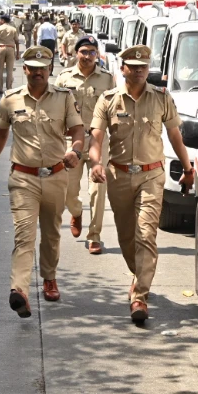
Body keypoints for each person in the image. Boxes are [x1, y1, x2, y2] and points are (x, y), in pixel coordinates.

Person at [89, 44, 194, 323]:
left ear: (149, 69)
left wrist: (187, 167)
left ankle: (140, 297)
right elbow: (96, 136)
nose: (138, 71)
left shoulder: (161, 98)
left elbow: (174, 135)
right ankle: (139, 275)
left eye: (143, 67)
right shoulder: (108, 99)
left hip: (151, 175)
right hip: (118, 176)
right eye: (133, 66)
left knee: (145, 234)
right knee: (127, 237)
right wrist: (95, 162)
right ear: (122, 68)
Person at [0, 46, 86, 317]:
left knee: (51, 233)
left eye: (43, 68)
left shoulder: (64, 98)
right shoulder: (10, 99)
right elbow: (0, 135)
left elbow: (78, 129)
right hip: (22, 178)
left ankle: (49, 277)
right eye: (33, 67)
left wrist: (75, 150)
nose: (38, 72)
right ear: (24, 69)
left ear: (50, 70)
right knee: (24, 236)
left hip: (55, 175)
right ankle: (19, 291)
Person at [55, 36, 115, 254]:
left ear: (96, 54)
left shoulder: (107, 79)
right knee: (69, 190)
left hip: (98, 140)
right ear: (75, 53)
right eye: (84, 51)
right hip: (72, 141)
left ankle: (95, 235)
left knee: (98, 189)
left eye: (92, 52)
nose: (88, 56)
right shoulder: (63, 78)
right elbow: (54, 108)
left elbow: (114, 109)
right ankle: (76, 211)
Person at [0, 15, 19, 91]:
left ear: (3, 20)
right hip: (11, 48)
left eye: (0, 20)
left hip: (1, 48)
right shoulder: (13, 29)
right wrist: (17, 53)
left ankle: (0, 88)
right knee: (9, 70)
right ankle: (9, 87)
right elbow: (17, 41)